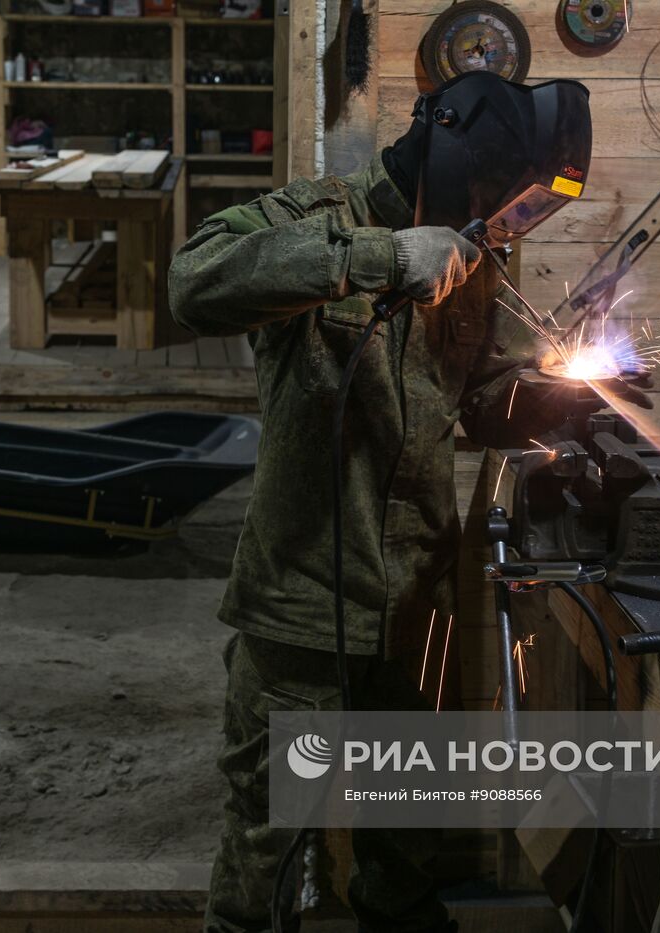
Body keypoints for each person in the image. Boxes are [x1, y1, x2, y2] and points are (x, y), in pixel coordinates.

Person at [170, 72, 602, 933]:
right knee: (271, 834)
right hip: (304, 606)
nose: (500, 220)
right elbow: (194, 280)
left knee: (404, 835)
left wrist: (562, 400)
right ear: (455, 160)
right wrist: (377, 258)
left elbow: (478, 397)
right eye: (497, 197)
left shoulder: (476, 259)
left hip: (415, 609)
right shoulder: (313, 219)